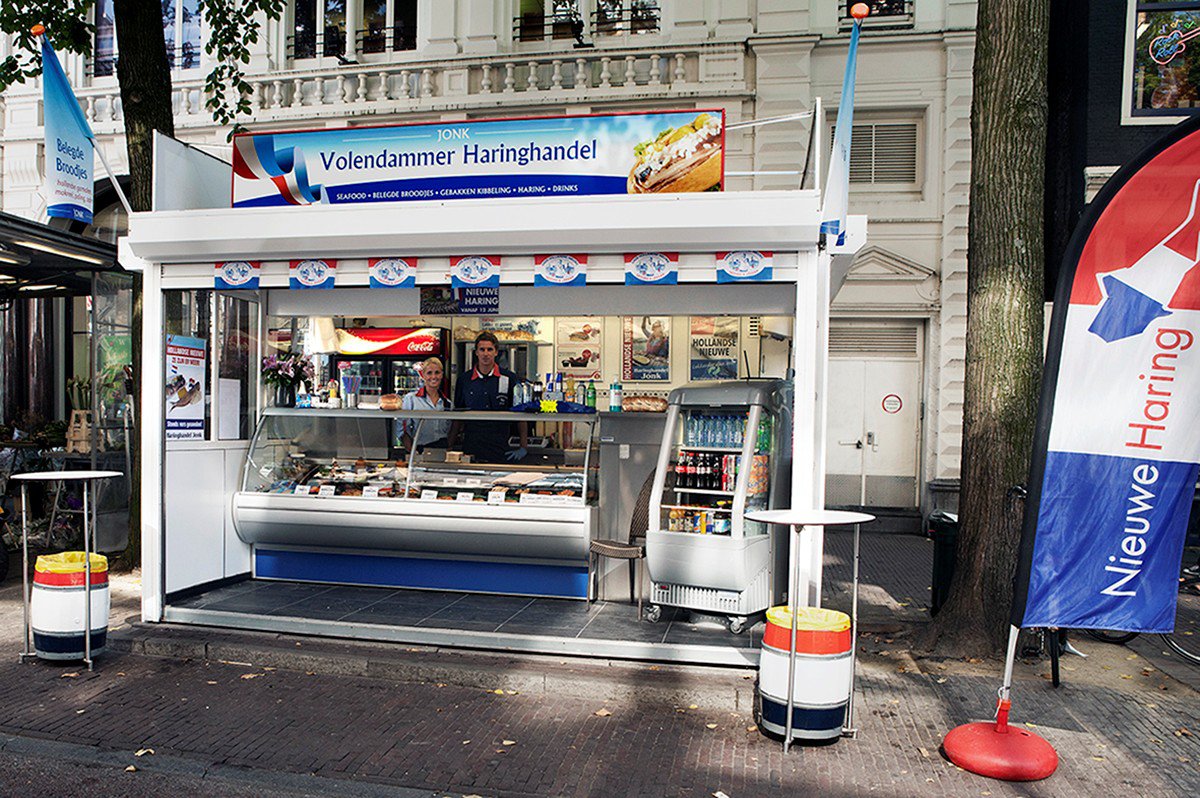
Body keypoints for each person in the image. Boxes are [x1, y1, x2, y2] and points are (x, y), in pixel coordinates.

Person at [449, 331, 528, 463]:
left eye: (489, 349)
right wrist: (449, 446)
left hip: (500, 450)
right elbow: (457, 417)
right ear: (476, 352)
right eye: (482, 349)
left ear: (496, 352)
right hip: (471, 450)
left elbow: (521, 414)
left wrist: (523, 446)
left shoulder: (509, 378)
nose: (486, 354)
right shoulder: (464, 380)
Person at [399, 357, 451, 452]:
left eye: (437, 372)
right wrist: (412, 451)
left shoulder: (447, 403)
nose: (433, 377)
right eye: (429, 373)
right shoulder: (411, 399)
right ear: (423, 375)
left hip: (441, 450)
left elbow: (450, 430)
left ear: (442, 375)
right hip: (419, 449)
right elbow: (403, 429)